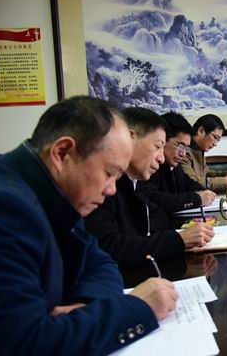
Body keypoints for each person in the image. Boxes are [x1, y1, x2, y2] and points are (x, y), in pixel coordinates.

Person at [0, 96, 178, 356]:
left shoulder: (52, 190)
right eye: (109, 173)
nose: (111, 189)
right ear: (62, 152)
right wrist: (136, 308)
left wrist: (87, 308)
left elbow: (100, 261)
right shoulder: (3, 207)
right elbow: (21, 351)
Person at [86, 107, 215, 269]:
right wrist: (178, 240)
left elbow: (157, 215)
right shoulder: (101, 186)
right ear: (129, 138)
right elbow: (108, 250)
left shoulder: (132, 182)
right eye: (157, 146)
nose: (161, 158)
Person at [138, 111, 216, 217]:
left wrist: (203, 192)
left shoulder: (174, 165)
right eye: (180, 146)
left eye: (185, 148)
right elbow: (153, 198)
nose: (182, 153)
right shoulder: (149, 165)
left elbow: (189, 183)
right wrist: (197, 198)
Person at [182, 113, 227, 192]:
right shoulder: (183, 152)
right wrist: (226, 181)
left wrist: (226, 175)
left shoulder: (198, 150)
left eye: (218, 140)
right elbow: (192, 182)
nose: (215, 144)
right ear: (201, 131)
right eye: (215, 137)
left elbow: (206, 173)